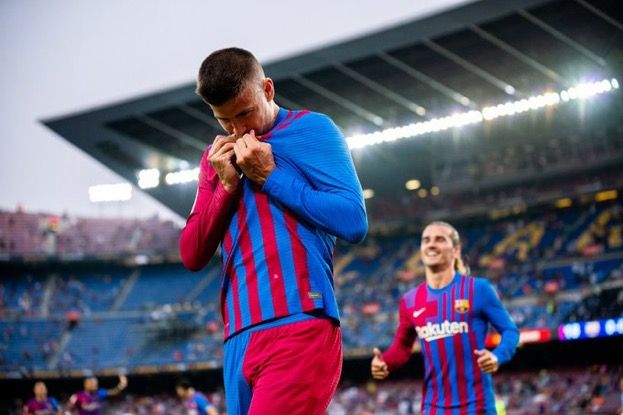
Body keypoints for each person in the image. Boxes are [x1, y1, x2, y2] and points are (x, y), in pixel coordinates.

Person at [180, 47, 367, 414]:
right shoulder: (215, 160)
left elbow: (353, 220)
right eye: (224, 120)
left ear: (268, 89)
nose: (238, 130)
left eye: (245, 113)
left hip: (299, 325)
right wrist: (227, 188)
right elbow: (191, 253)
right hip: (237, 338)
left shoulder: (311, 130)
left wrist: (270, 177)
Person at [371, 221, 519, 415]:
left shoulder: (478, 289)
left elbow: (510, 331)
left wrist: (497, 356)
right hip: (434, 409)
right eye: (426, 240)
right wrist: (385, 361)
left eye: (439, 239)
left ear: (456, 250)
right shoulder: (410, 301)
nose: (431, 244)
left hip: (477, 407)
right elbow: (402, 346)